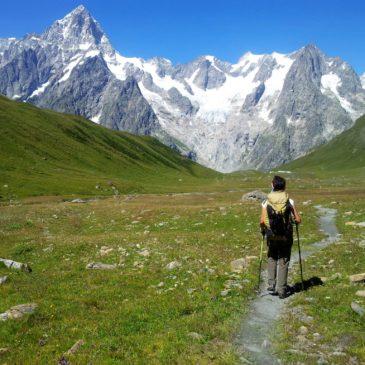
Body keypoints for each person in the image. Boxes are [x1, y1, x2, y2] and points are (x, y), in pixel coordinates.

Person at [259, 175, 301, 299]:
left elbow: (262, 221)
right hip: (286, 236)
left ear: (273, 185)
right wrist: (294, 221)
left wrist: (263, 230)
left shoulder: (266, 201)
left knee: (272, 257)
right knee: (284, 260)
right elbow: (298, 219)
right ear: (284, 186)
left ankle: (271, 284)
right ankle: (282, 290)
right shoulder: (289, 201)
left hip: (271, 235)